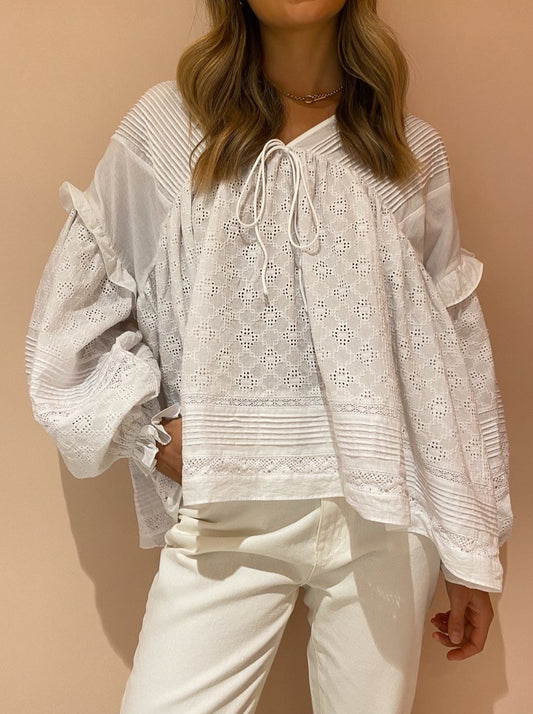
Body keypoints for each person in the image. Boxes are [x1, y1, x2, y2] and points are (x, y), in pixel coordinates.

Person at [26, 1, 513, 712]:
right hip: (227, 510)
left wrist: (473, 548)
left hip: (386, 518)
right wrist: (150, 433)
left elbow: (453, 359)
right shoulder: (170, 128)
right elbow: (73, 316)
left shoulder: (407, 150)